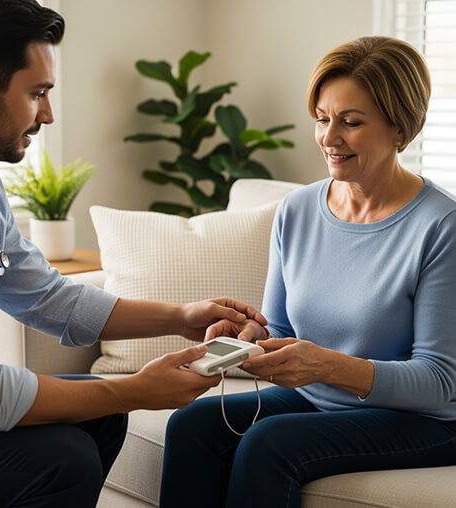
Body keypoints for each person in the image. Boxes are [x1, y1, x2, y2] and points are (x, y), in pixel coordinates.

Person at [0, 1, 267, 507]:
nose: (48, 115)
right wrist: (132, 390)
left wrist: (180, 317)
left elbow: (49, 298)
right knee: (66, 456)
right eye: (38, 93)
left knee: (98, 416)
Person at [159, 35, 456, 508]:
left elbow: (440, 382)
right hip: (320, 399)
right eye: (322, 119)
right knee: (193, 424)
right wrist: (247, 337)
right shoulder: (296, 210)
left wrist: (325, 365)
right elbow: (280, 329)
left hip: (424, 420)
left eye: (351, 122)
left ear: (400, 128)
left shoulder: (441, 226)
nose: (329, 138)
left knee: (268, 443)